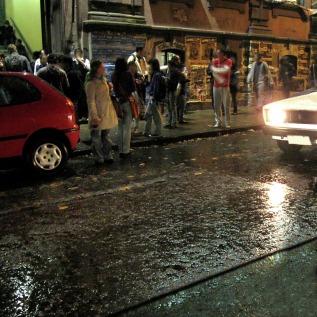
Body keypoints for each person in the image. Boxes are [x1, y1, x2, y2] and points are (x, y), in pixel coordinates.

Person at [86, 59, 118, 164]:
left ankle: (107, 155)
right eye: (102, 67)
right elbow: (91, 101)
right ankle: (98, 158)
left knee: (106, 136)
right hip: (98, 113)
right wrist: (94, 115)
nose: (104, 68)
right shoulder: (91, 84)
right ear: (96, 69)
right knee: (96, 137)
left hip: (106, 112)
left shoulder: (104, 80)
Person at [112, 57, 136, 158]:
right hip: (127, 102)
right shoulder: (128, 73)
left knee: (120, 127)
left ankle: (120, 149)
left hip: (118, 103)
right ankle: (126, 150)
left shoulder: (114, 75)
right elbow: (133, 88)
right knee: (127, 127)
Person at [211, 48, 232, 128]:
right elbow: (213, 72)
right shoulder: (215, 61)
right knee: (216, 105)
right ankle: (218, 121)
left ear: (223, 54)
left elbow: (226, 70)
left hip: (225, 86)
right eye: (217, 53)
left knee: (226, 105)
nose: (217, 55)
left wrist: (217, 70)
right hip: (216, 86)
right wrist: (220, 79)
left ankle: (227, 123)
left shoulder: (228, 61)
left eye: (219, 53)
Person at [60, 55, 83, 123]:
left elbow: (71, 88)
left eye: (62, 63)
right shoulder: (74, 72)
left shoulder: (70, 74)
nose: (61, 65)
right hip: (74, 99)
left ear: (66, 64)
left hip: (72, 99)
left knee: (74, 116)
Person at [144, 58, 163, 138]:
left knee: (155, 116)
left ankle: (157, 132)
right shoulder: (154, 75)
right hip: (153, 98)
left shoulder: (156, 75)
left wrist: (154, 98)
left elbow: (156, 87)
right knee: (149, 115)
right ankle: (147, 131)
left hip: (153, 98)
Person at [73, 48, 90, 122]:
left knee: (84, 99)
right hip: (75, 84)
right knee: (77, 100)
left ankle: (84, 116)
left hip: (83, 82)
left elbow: (89, 69)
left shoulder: (86, 61)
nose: (78, 54)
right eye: (77, 53)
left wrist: (80, 61)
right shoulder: (72, 61)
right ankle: (78, 116)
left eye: (80, 53)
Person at [165, 60, 180, 129]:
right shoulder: (169, 72)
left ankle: (174, 122)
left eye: (170, 66)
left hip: (172, 91)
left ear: (173, 67)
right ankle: (169, 122)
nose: (169, 68)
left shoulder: (175, 73)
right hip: (168, 91)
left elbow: (174, 83)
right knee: (169, 108)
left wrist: (168, 80)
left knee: (172, 107)